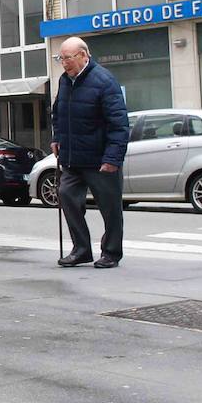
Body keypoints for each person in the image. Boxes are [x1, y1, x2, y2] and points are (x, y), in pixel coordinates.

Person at [51, 37, 130, 269]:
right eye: (61, 58)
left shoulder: (104, 81)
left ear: (84, 56)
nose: (64, 63)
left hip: (100, 158)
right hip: (73, 157)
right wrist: (56, 138)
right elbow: (58, 113)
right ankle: (81, 249)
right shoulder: (65, 81)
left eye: (68, 58)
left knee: (110, 207)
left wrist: (113, 158)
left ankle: (111, 252)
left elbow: (119, 123)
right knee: (66, 196)